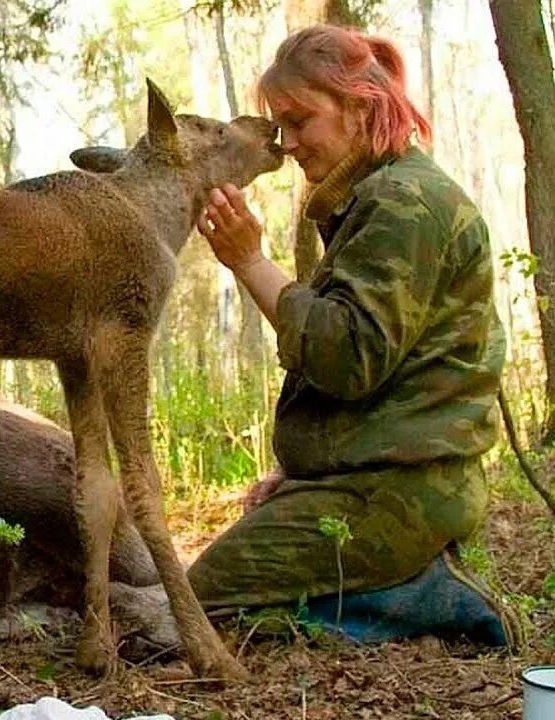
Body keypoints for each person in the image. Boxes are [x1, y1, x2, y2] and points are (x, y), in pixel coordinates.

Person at [123, 24, 518, 652]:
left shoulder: (405, 205)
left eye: (302, 121)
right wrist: (303, 470)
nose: (291, 144)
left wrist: (251, 263)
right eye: (281, 126)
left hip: (402, 493)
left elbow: (347, 357)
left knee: (181, 617)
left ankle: (424, 598)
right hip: (381, 481)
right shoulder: (379, 198)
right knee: (206, 605)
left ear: (360, 105)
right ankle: (378, 587)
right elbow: (390, 379)